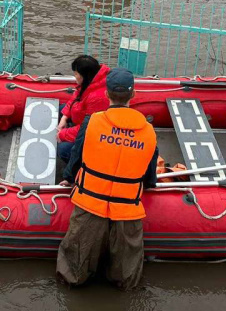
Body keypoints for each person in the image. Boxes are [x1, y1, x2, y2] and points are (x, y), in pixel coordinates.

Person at [56, 68, 158, 291]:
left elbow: (76, 157)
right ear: (133, 95)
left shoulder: (92, 122)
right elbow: (150, 177)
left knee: (74, 270)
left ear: (106, 94)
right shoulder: (148, 131)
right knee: (126, 275)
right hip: (127, 210)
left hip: (89, 205)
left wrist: (69, 178)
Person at [57, 55, 110, 163]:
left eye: (76, 74)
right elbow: (75, 97)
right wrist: (65, 117)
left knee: (63, 149)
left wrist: (63, 134)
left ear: (84, 75)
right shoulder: (89, 83)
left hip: (93, 136)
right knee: (62, 109)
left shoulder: (98, 98)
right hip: (82, 118)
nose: (74, 76)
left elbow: (88, 128)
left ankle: (77, 170)